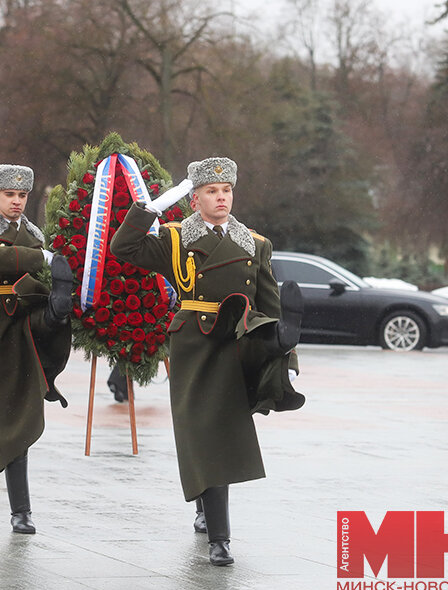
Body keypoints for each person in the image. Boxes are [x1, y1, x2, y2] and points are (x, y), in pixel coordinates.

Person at [110, 157, 304, 566]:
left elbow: (268, 302)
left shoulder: (255, 244)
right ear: (195, 198)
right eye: (211, 191)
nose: (221, 198)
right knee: (201, 431)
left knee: (219, 434)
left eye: (226, 190)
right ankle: (215, 528)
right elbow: (123, 247)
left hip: (236, 343)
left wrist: (283, 350)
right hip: (194, 343)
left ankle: (218, 533)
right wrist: (152, 208)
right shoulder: (176, 237)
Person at [0, 164, 73, 533]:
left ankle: (22, 509)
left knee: (26, 402)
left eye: (22, 195)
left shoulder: (34, 234)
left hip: (31, 317)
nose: (17, 201)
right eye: (9, 194)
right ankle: (20, 510)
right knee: (8, 410)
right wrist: (40, 258)